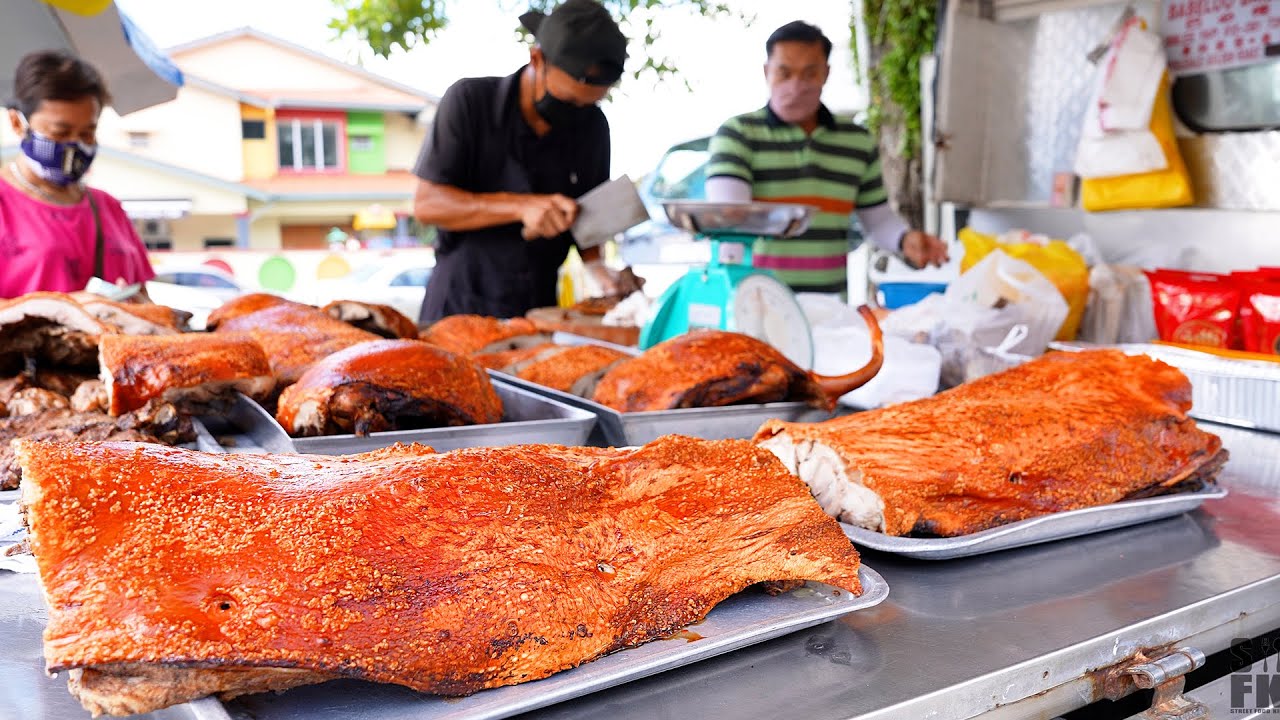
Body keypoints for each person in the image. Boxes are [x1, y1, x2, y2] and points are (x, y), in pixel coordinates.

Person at [411, 0, 642, 324]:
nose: (577, 113)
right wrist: (521, 207)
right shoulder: (469, 102)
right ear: (537, 58)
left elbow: (587, 219)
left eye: (588, 104)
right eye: (569, 101)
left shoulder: (592, 125)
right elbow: (427, 204)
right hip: (459, 304)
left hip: (538, 309)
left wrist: (600, 272)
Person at [706, 21, 949, 296]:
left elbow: (878, 220)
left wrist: (906, 240)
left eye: (809, 73)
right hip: (754, 301)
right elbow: (729, 217)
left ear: (826, 73)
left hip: (830, 305)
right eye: (784, 73)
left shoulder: (856, 142)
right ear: (766, 72)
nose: (796, 86)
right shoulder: (737, 135)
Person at [1, 50, 154, 299]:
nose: (75, 145)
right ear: (17, 123)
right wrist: (64, 308)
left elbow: (144, 298)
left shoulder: (109, 207)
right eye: (60, 133)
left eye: (87, 134)